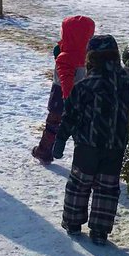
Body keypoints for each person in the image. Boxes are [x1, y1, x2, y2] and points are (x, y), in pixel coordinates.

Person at [53, 34, 129, 246]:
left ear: (90, 59)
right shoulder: (125, 84)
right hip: (114, 145)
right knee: (106, 189)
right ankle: (99, 231)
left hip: (86, 145)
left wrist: (60, 139)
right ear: (116, 58)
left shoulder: (84, 86)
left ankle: (72, 222)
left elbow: (70, 115)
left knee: (79, 184)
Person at [32, 15, 95, 164]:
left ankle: (45, 151)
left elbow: (66, 80)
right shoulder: (89, 55)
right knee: (81, 129)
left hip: (62, 97)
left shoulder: (65, 55)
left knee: (53, 125)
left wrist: (68, 99)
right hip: (83, 97)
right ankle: (86, 160)